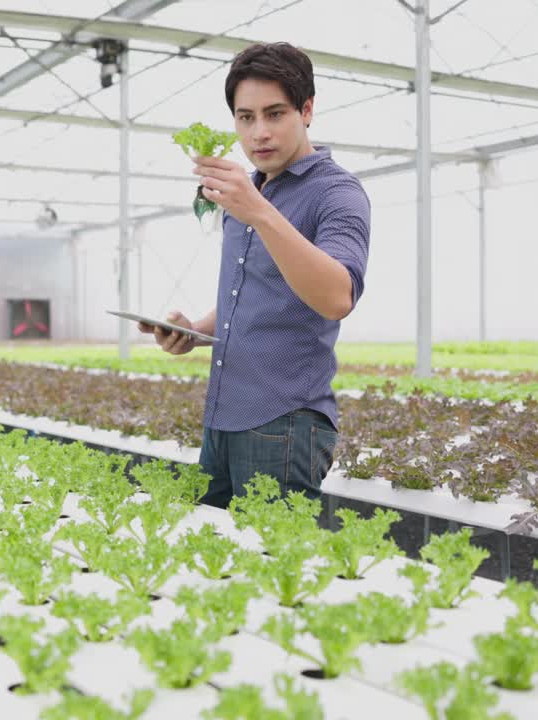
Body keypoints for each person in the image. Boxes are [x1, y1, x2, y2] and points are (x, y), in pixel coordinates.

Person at [140, 42, 371, 507]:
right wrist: (193, 331)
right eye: (245, 118)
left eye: (275, 113)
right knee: (216, 567)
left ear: (306, 111)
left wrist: (259, 212)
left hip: (285, 423)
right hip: (222, 417)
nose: (259, 133)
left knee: (272, 569)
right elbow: (256, 295)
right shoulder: (247, 192)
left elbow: (337, 296)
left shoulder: (337, 194)